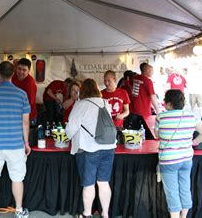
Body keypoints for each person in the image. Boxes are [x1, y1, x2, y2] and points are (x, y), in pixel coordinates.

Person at [0, 61, 31, 218]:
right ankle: (18, 210)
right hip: (15, 144)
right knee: (17, 179)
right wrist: (26, 142)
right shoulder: (22, 94)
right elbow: (25, 122)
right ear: (13, 74)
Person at [66, 79, 116, 218]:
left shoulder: (80, 104)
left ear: (82, 91)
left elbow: (70, 129)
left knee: (89, 184)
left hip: (88, 148)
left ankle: (87, 214)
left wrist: (68, 135)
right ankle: (105, 214)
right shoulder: (105, 102)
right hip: (108, 147)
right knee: (103, 182)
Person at [155, 89, 202, 218]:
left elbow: (157, 135)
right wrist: (193, 142)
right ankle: (183, 216)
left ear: (168, 104)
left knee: (172, 191)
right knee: (185, 188)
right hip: (186, 159)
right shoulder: (191, 116)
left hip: (168, 160)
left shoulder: (160, 117)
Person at [128, 63, 161, 129]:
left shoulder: (134, 78)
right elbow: (152, 96)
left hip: (133, 110)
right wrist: (158, 110)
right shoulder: (148, 81)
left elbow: (130, 86)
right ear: (147, 70)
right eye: (152, 70)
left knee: (135, 131)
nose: (153, 72)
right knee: (144, 133)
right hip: (144, 112)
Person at [101, 70, 130, 142]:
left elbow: (127, 110)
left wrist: (122, 115)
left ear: (114, 80)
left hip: (119, 126)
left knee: (119, 149)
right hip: (105, 127)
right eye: (105, 81)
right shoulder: (100, 94)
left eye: (108, 81)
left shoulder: (123, 92)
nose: (106, 83)